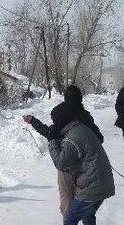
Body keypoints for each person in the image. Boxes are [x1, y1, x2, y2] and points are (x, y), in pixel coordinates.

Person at [46, 101, 115, 225]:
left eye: (55, 121)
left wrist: (52, 141)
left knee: (70, 219)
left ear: (62, 120)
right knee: (89, 214)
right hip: (103, 184)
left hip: (92, 186)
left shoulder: (71, 138)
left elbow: (61, 163)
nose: (54, 124)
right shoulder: (81, 129)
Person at [23, 85, 104, 215]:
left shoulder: (62, 114)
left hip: (67, 163)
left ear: (65, 98)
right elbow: (99, 138)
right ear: (81, 99)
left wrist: (33, 121)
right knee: (85, 198)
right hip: (86, 165)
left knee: (66, 196)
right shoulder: (85, 116)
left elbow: (50, 133)